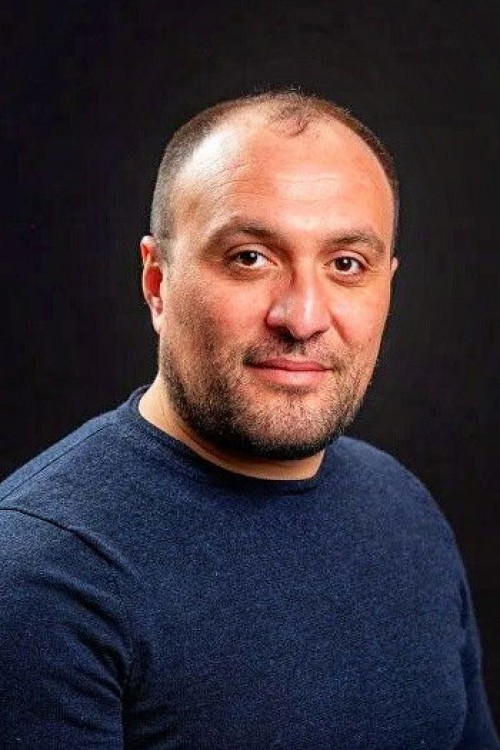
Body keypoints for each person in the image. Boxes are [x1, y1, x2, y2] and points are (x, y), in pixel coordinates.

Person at [0, 90, 498, 749]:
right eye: (250, 258)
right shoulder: (41, 577)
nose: (303, 317)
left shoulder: (402, 506)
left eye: (346, 264)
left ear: (387, 284)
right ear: (157, 282)